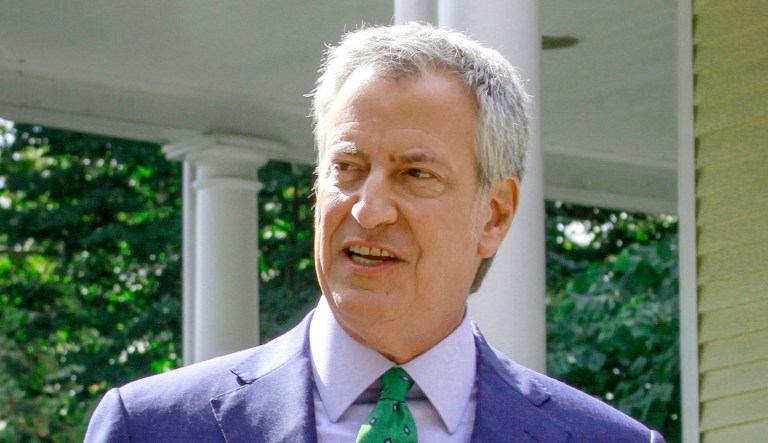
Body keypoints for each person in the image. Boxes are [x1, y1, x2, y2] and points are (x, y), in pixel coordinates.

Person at [85, 23, 665, 442]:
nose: (370, 209)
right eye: (348, 168)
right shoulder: (152, 427)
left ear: (493, 215)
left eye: (416, 174)